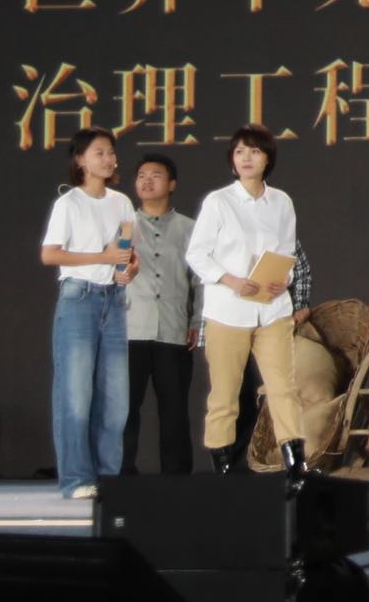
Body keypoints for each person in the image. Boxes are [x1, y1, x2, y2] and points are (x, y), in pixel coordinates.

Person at [188, 123, 322, 473]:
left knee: (283, 387)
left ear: (267, 159)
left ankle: (296, 463)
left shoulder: (281, 201)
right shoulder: (219, 202)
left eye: (255, 151)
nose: (246, 158)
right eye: (239, 152)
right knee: (225, 393)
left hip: (272, 309)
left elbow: (287, 251)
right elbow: (197, 254)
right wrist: (231, 280)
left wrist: (284, 280)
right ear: (232, 160)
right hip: (228, 310)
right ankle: (222, 466)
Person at [37, 127, 136, 500]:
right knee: (75, 395)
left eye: (111, 152)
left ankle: (108, 478)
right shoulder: (70, 203)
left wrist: (128, 269)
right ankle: (77, 479)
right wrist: (103, 257)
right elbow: (50, 254)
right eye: (99, 153)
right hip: (79, 298)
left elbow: (129, 253)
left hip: (115, 299)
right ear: (80, 160)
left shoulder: (121, 202)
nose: (108, 159)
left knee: (115, 400)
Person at [120, 151, 200, 477]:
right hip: (129, 329)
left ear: (172, 184)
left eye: (155, 175)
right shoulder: (123, 227)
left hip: (173, 329)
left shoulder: (190, 229)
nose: (147, 181)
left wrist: (197, 321)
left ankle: (177, 480)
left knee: (175, 411)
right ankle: (121, 476)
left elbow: (200, 280)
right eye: (141, 176)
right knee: (124, 410)